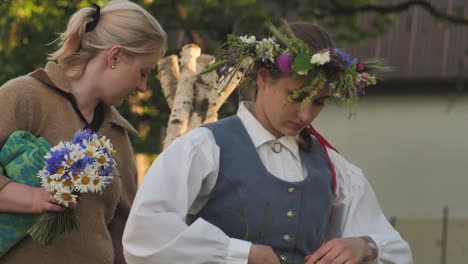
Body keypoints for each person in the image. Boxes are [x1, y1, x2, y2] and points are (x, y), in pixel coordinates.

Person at [123, 22, 412, 264]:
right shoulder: (203, 147)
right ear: (263, 78)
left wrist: (364, 246)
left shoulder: (334, 168)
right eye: (295, 96)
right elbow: (144, 235)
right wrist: (239, 253)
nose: (305, 114)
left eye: (319, 102)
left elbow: (397, 252)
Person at [0, 0, 166, 263]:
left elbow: (124, 235)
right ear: (115, 56)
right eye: (142, 73)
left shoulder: (119, 136)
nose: (143, 87)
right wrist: (32, 198)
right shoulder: (24, 97)